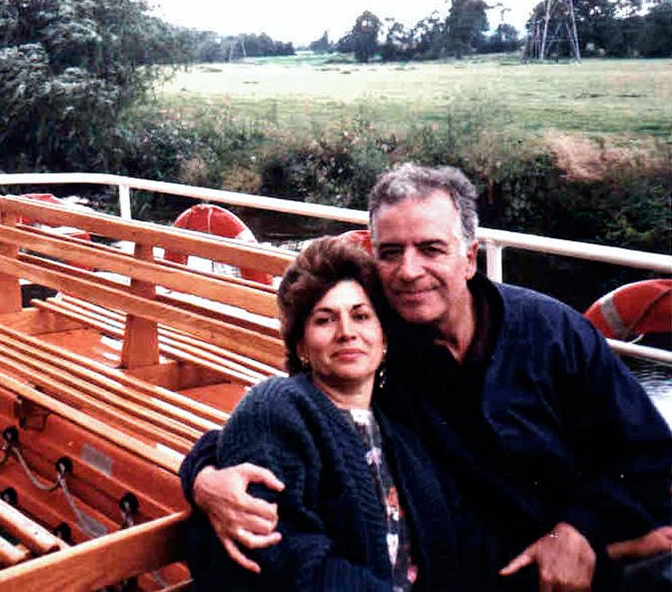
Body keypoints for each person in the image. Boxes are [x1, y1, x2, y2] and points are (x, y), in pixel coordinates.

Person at [180, 163, 672, 591]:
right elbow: (279, 420)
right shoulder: (379, 342)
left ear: (470, 258)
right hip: (482, 567)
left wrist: (580, 531)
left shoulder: (552, 332)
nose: (409, 271)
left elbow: (649, 453)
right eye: (391, 252)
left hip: (579, 544)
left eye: (431, 248)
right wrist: (203, 476)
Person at [186, 236, 460, 590]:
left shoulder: (396, 416)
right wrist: (201, 475)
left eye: (361, 316)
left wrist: (199, 472)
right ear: (300, 345)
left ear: (384, 337)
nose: (347, 333)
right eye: (325, 320)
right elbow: (281, 554)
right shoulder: (279, 407)